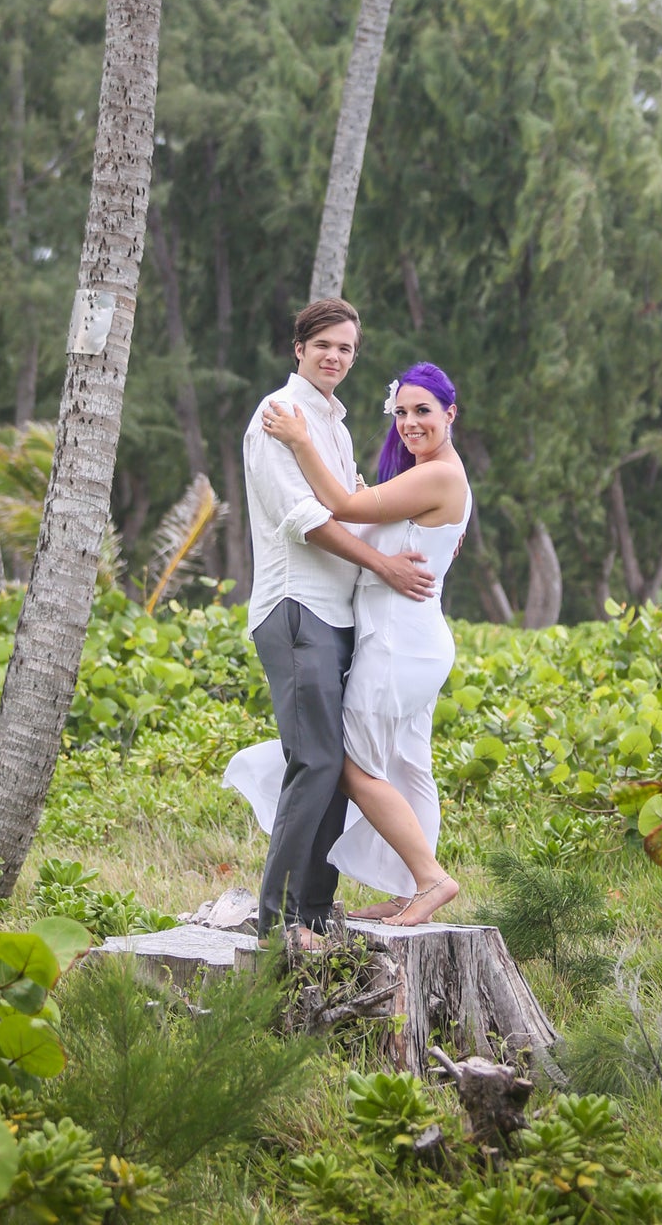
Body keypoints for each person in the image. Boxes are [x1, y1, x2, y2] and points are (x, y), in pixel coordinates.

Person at [225, 360, 470, 928]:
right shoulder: (429, 475)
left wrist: (301, 441)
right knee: (408, 764)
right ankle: (413, 887)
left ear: (449, 414)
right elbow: (371, 511)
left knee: (354, 766)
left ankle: (431, 878)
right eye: (402, 412)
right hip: (411, 637)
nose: (410, 423)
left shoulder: (438, 475)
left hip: (397, 642)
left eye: (423, 412)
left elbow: (342, 506)